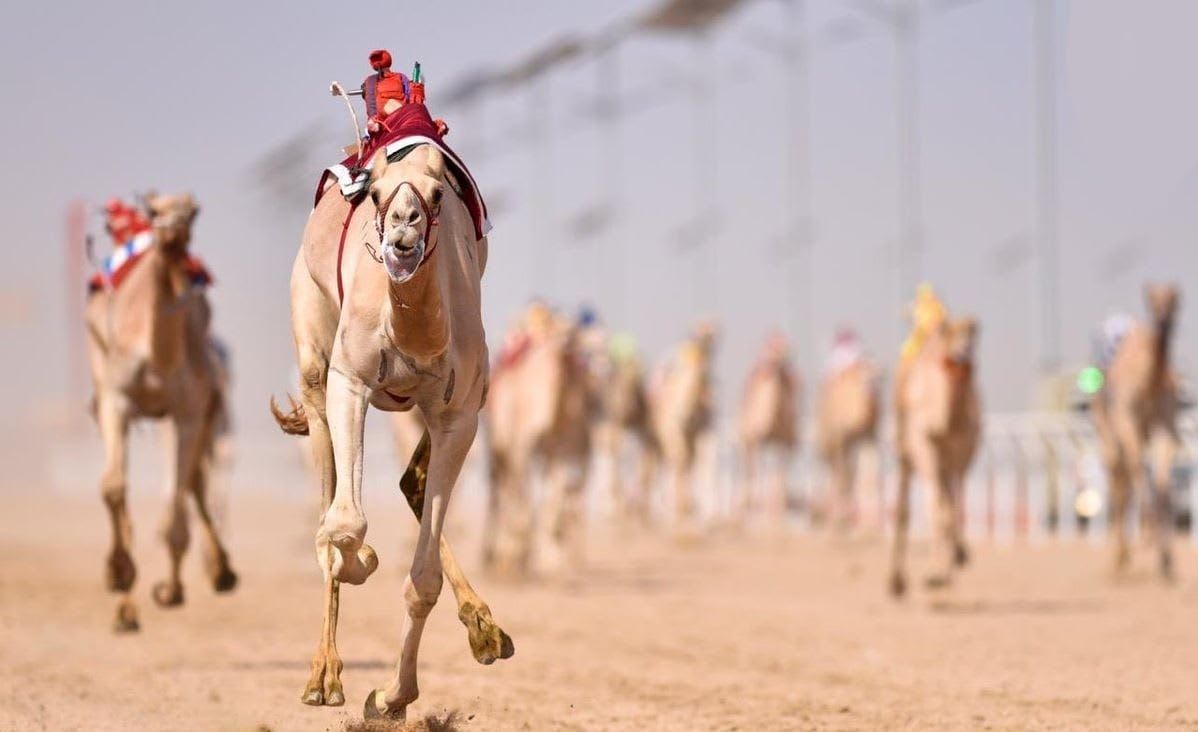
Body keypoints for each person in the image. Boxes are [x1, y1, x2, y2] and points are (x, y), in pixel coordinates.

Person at [899, 282, 946, 366]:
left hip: (934, 337)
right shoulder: (916, 306)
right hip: (919, 337)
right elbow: (905, 314)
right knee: (906, 352)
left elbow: (943, 321)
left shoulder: (938, 306)